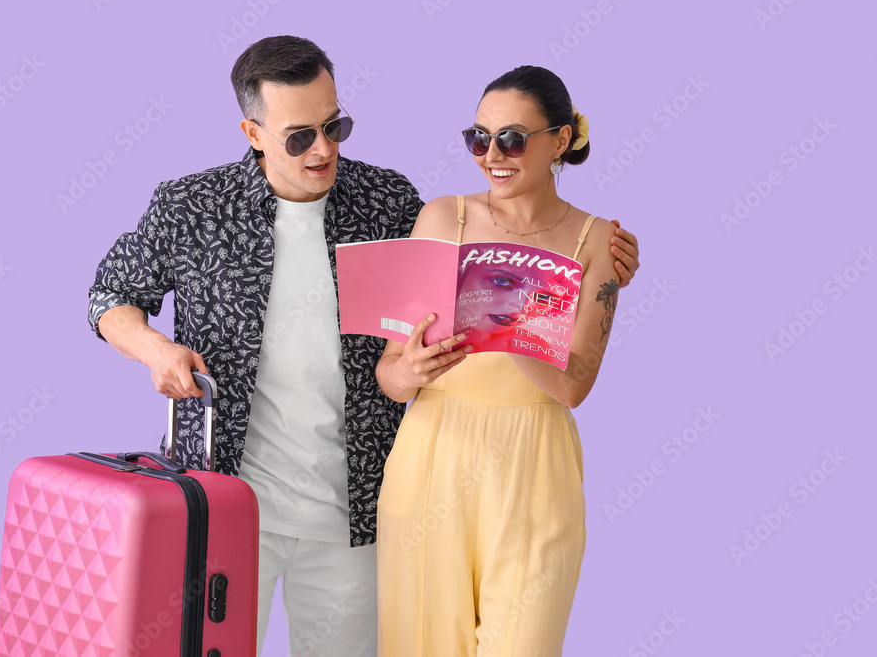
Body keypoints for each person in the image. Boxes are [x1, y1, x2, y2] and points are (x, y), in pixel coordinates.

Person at [88, 37, 640, 656]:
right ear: (253, 131)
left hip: (355, 511)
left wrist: (593, 270)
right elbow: (109, 297)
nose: (323, 149)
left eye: (335, 125)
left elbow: (478, 254)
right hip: (228, 503)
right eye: (300, 136)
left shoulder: (387, 202)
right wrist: (155, 350)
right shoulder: (192, 207)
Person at [375, 65, 620, 656]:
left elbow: (575, 385)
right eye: (478, 138)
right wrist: (411, 371)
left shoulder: (599, 243)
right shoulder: (441, 218)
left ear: (560, 140)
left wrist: (509, 322)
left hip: (537, 462)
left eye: (512, 137)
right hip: (432, 451)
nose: (492, 155)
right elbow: (390, 374)